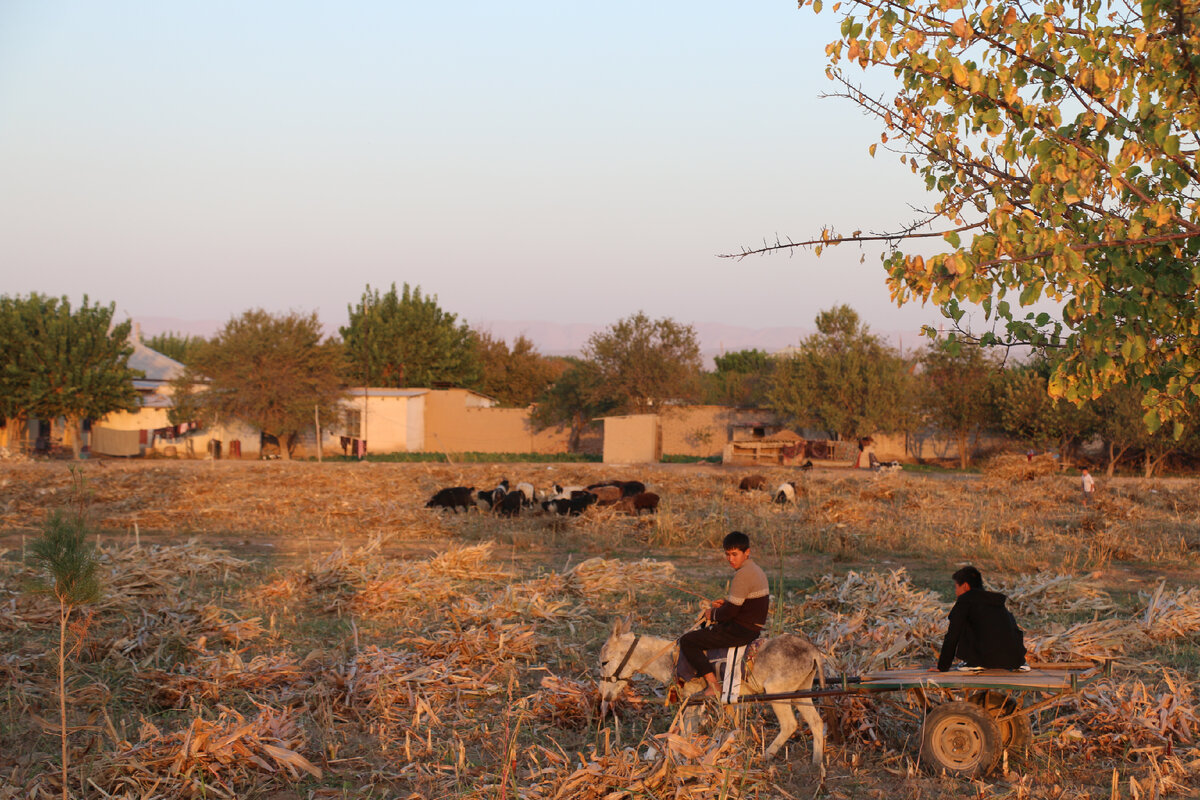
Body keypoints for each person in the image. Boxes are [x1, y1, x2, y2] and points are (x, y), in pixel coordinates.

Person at [678, 531, 770, 697]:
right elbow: (742, 605)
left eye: (735, 554)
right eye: (727, 554)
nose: (730, 559)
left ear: (747, 552)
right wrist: (726, 604)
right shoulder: (756, 570)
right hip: (751, 626)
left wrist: (711, 614)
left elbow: (729, 613)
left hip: (741, 630)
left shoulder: (742, 575)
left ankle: (713, 685)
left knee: (688, 641)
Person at [934, 566, 1028, 672]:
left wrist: (942, 666)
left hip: (984, 659)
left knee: (962, 623)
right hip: (1015, 660)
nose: (956, 592)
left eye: (956, 587)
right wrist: (1018, 660)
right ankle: (1021, 663)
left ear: (965, 586)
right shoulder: (995, 601)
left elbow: (952, 635)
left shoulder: (965, 601)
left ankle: (974, 663)